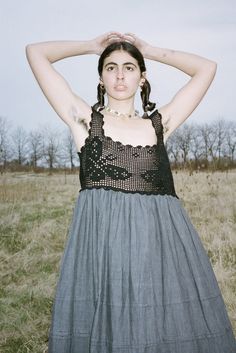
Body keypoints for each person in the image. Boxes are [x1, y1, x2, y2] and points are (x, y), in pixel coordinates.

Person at [26, 31, 236, 353]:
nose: (120, 74)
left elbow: (206, 68)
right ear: (101, 78)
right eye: (110, 67)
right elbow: (35, 52)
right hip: (102, 249)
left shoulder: (159, 124)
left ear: (142, 77)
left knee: (164, 328)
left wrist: (149, 50)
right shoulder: (85, 121)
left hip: (162, 249)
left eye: (129, 67)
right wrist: (90, 46)